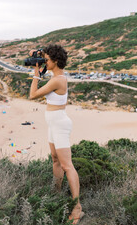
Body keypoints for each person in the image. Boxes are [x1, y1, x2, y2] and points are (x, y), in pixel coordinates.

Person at [29, 44, 84, 224]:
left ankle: (77, 209)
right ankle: (56, 193)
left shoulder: (58, 80)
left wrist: (36, 74)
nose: (44, 61)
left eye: (46, 59)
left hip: (59, 124)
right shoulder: (55, 77)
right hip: (53, 123)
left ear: (55, 61)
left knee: (67, 165)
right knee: (55, 159)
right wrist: (39, 62)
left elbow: (33, 95)